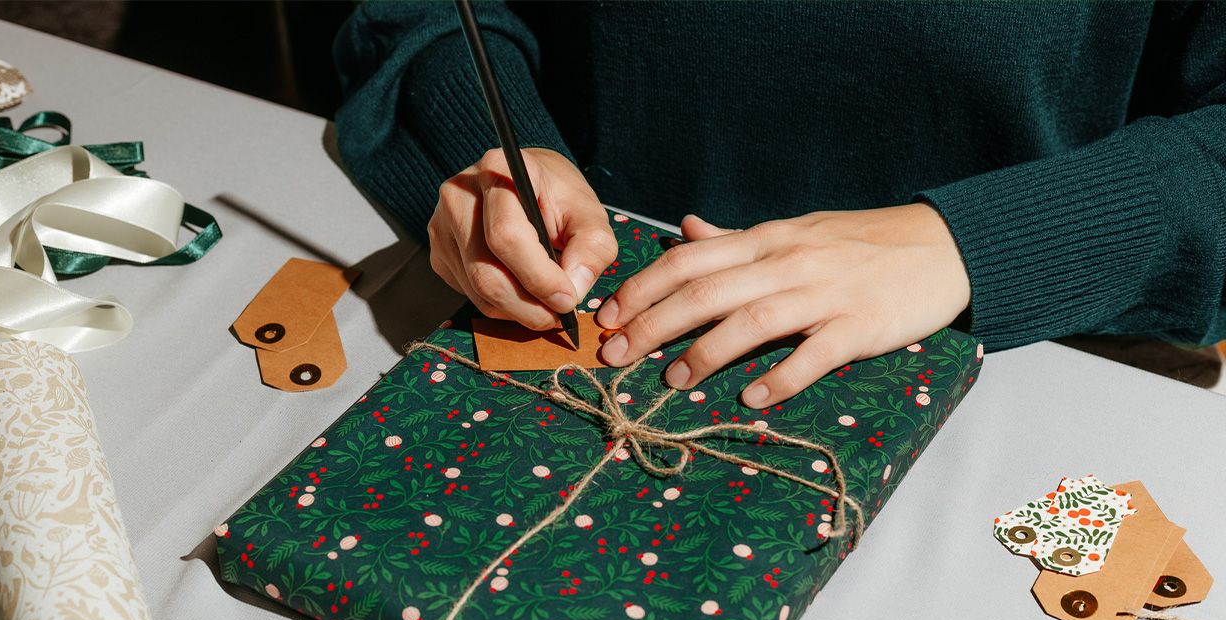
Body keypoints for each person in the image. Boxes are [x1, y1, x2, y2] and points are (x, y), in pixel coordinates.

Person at [333, 2, 1226, 406]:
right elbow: (428, 8)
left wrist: (975, 244)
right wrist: (494, 140)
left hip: (1028, 353)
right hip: (604, 310)